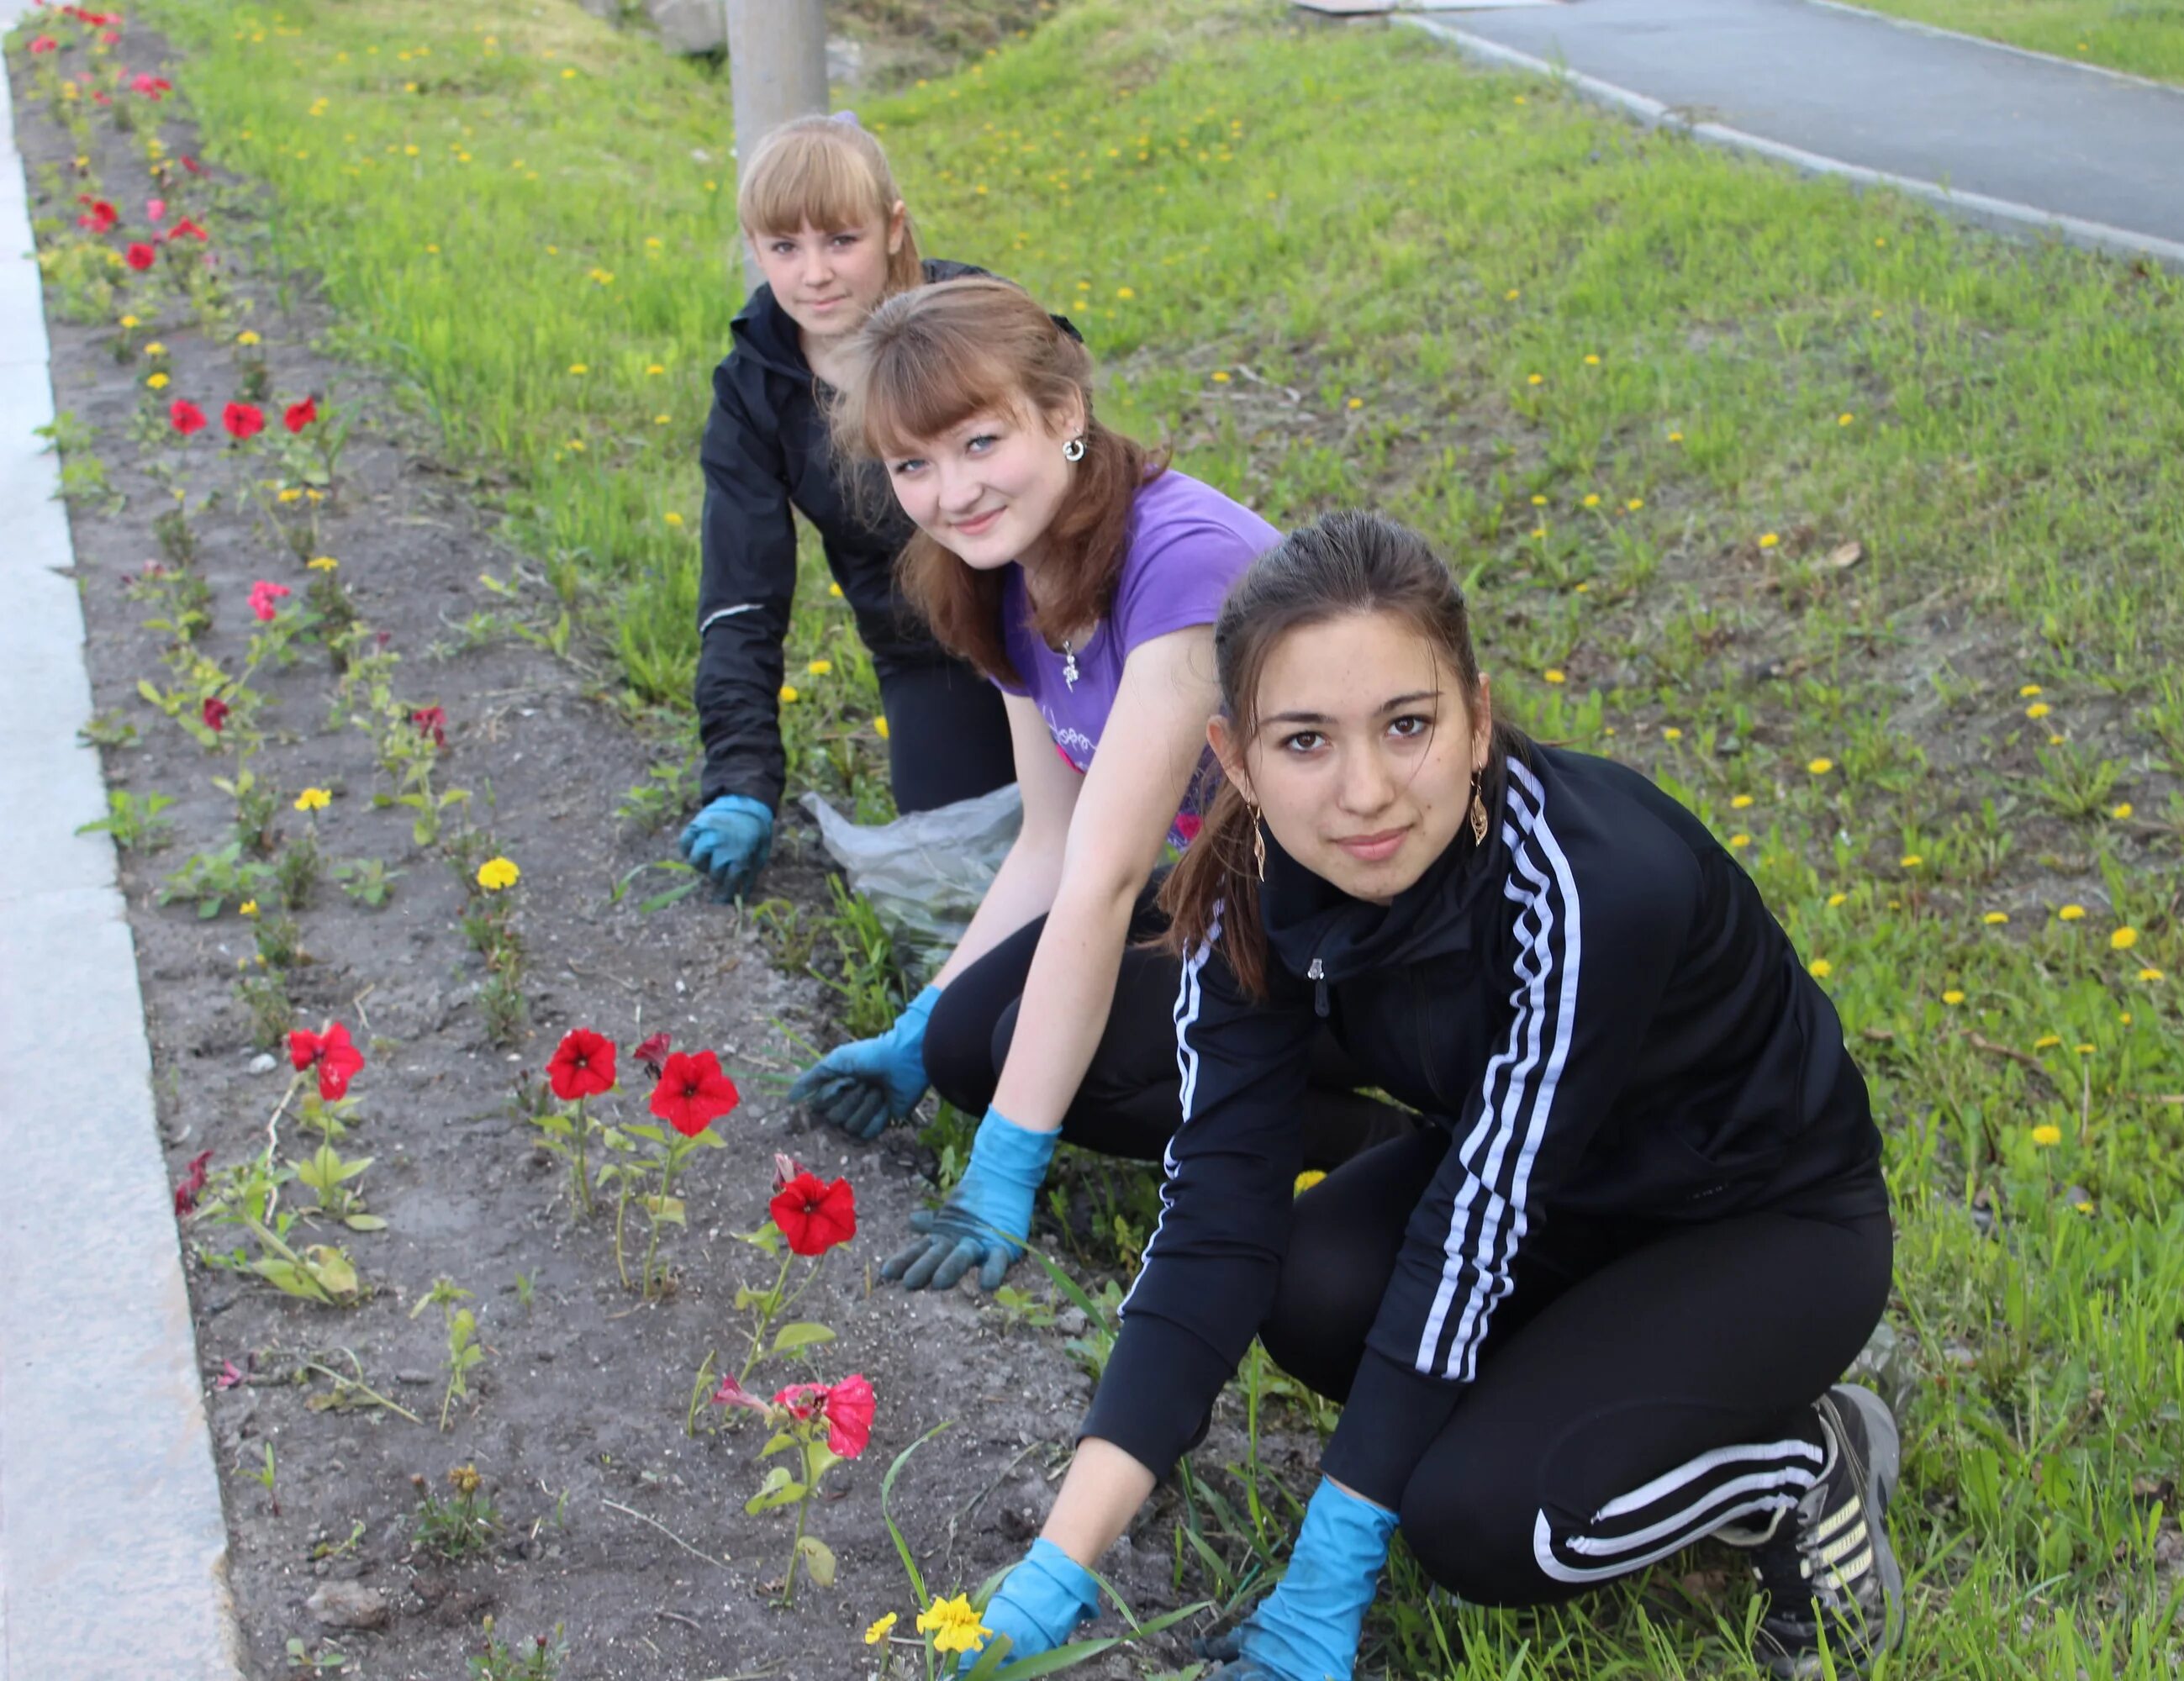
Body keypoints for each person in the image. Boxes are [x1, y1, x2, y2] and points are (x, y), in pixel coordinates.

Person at [961, 512, 1905, 1681]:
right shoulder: (1251, 893)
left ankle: (1799, 1459)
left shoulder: (1589, 885)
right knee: (1306, 1290)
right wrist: (1063, 1556)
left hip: (1758, 1222)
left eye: (1406, 726)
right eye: (1304, 742)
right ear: (1237, 758)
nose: (1364, 793)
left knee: (1487, 1526)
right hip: (1554, 1197)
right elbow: (1213, 1223)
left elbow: (1474, 1234)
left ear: (1477, 718)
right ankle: (1579, 1400)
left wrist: (1330, 1574)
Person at [787, 282, 1413, 1288]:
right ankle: (1301, 1102)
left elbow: (1105, 880)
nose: (952, 493)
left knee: (1080, 1065)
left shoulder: (1180, 567)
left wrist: (1005, 1163)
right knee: (959, 1049)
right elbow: (1051, 838)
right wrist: (917, 1021)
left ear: (1066, 414)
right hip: (1241, 888)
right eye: (914, 463)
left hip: (1368, 918)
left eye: (981, 442)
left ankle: (1381, 1139)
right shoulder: (999, 570)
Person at [678, 113, 1016, 902]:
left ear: (893, 228)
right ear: (755, 249)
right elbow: (740, 598)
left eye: (840, 239)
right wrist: (740, 778)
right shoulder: (754, 394)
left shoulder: (978, 319)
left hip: (1061, 620)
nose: (814, 274)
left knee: (1146, 844)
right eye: (784, 248)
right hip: (929, 652)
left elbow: (1081, 456)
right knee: (957, 885)